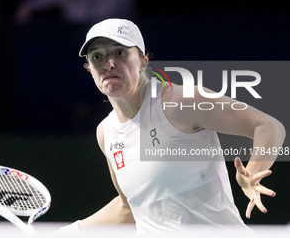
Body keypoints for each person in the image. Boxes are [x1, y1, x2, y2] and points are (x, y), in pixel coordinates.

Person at [59, 18, 286, 235]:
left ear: (142, 62)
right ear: (90, 69)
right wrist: (64, 233)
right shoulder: (105, 132)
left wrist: (254, 171)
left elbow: (268, 126)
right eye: (97, 57)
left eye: (120, 53)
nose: (108, 64)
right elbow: (130, 209)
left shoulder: (179, 101)